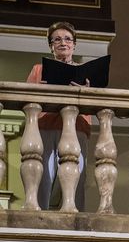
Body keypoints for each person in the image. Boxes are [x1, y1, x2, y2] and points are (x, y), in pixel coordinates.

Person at [26, 21, 91, 211]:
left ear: (74, 44)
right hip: (46, 125)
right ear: (51, 46)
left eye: (67, 39)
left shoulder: (85, 72)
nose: (63, 42)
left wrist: (85, 92)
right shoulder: (39, 69)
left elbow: (96, 103)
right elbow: (27, 98)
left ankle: (75, 215)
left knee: (77, 173)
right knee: (44, 172)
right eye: (57, 39)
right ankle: (39, 214)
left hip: (77, 125)